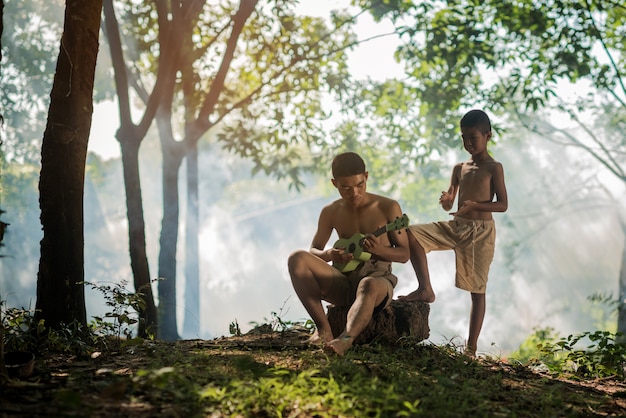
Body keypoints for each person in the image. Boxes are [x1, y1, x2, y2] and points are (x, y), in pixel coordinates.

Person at [399, 109, 508, 358]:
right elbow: (451, 202)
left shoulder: (494, 167)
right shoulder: (459, 167)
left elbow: (502, 204)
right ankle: (425, 288)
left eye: (473, 138)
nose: (468, 143)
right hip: (456, 227)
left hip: (480, 233)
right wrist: (448, 200)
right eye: (464, 138)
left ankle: (470, 349)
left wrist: (476, 206)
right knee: (411, 234)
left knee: (477, 291)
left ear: (487, 136)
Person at [288, 152, 410, 355]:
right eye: (345, 187)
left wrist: (378, 250)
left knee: (367, 284)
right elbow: (314, 250)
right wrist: (330, 254)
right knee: (297, 258)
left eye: (359, 185)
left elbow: (405, 254)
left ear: (367, 176)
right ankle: (323, 330)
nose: (354, 193)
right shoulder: (330, 212)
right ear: (334, 183)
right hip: (342, 280)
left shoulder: (388, 207)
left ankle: (345, 340)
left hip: (377, 282)